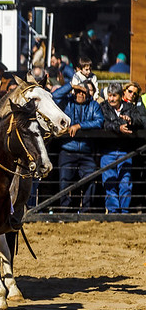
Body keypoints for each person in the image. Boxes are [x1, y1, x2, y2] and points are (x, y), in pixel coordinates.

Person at [58, 81, 103, 212]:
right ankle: (64, 212)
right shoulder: (67, 103)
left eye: (83, 92)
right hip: (67, 149)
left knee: (90, 179)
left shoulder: (93, 105)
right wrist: (71, 86)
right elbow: (54, 96)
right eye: (78, 91)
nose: (81, 95)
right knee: (64, 182)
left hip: (86, 151)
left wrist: (79, 126)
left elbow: (99, 121)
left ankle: (86, 212)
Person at [99, 83, 141, 213]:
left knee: (125, 184)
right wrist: (118, 127)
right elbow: (103, 123)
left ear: (120, 96)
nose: (111, 99)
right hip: (108, 151)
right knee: (109, 183)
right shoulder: (103, 107)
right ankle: (113, 213)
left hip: (125, 151)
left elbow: (140, 120)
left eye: (114, 96)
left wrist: (130, 120)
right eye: (109, 96)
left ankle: (124, 213)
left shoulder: (130, 107)